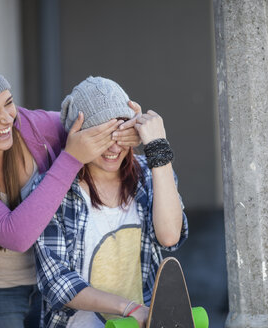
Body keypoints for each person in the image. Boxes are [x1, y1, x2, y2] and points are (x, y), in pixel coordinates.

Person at [0, 45, 141, 328]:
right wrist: (71, 159)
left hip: (56, 282)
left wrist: (126, 132)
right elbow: (16, 235)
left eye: (9, 102)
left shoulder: (40, 128)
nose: (7, 118)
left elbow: (103, 130)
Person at [34, 76, 188, 328]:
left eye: (121, 131)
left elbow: (170, 237)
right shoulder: (51, 187)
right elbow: (57, 282)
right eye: (101, 134)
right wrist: (128, 308)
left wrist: (158, 150)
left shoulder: (148, 174)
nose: (114, 147)